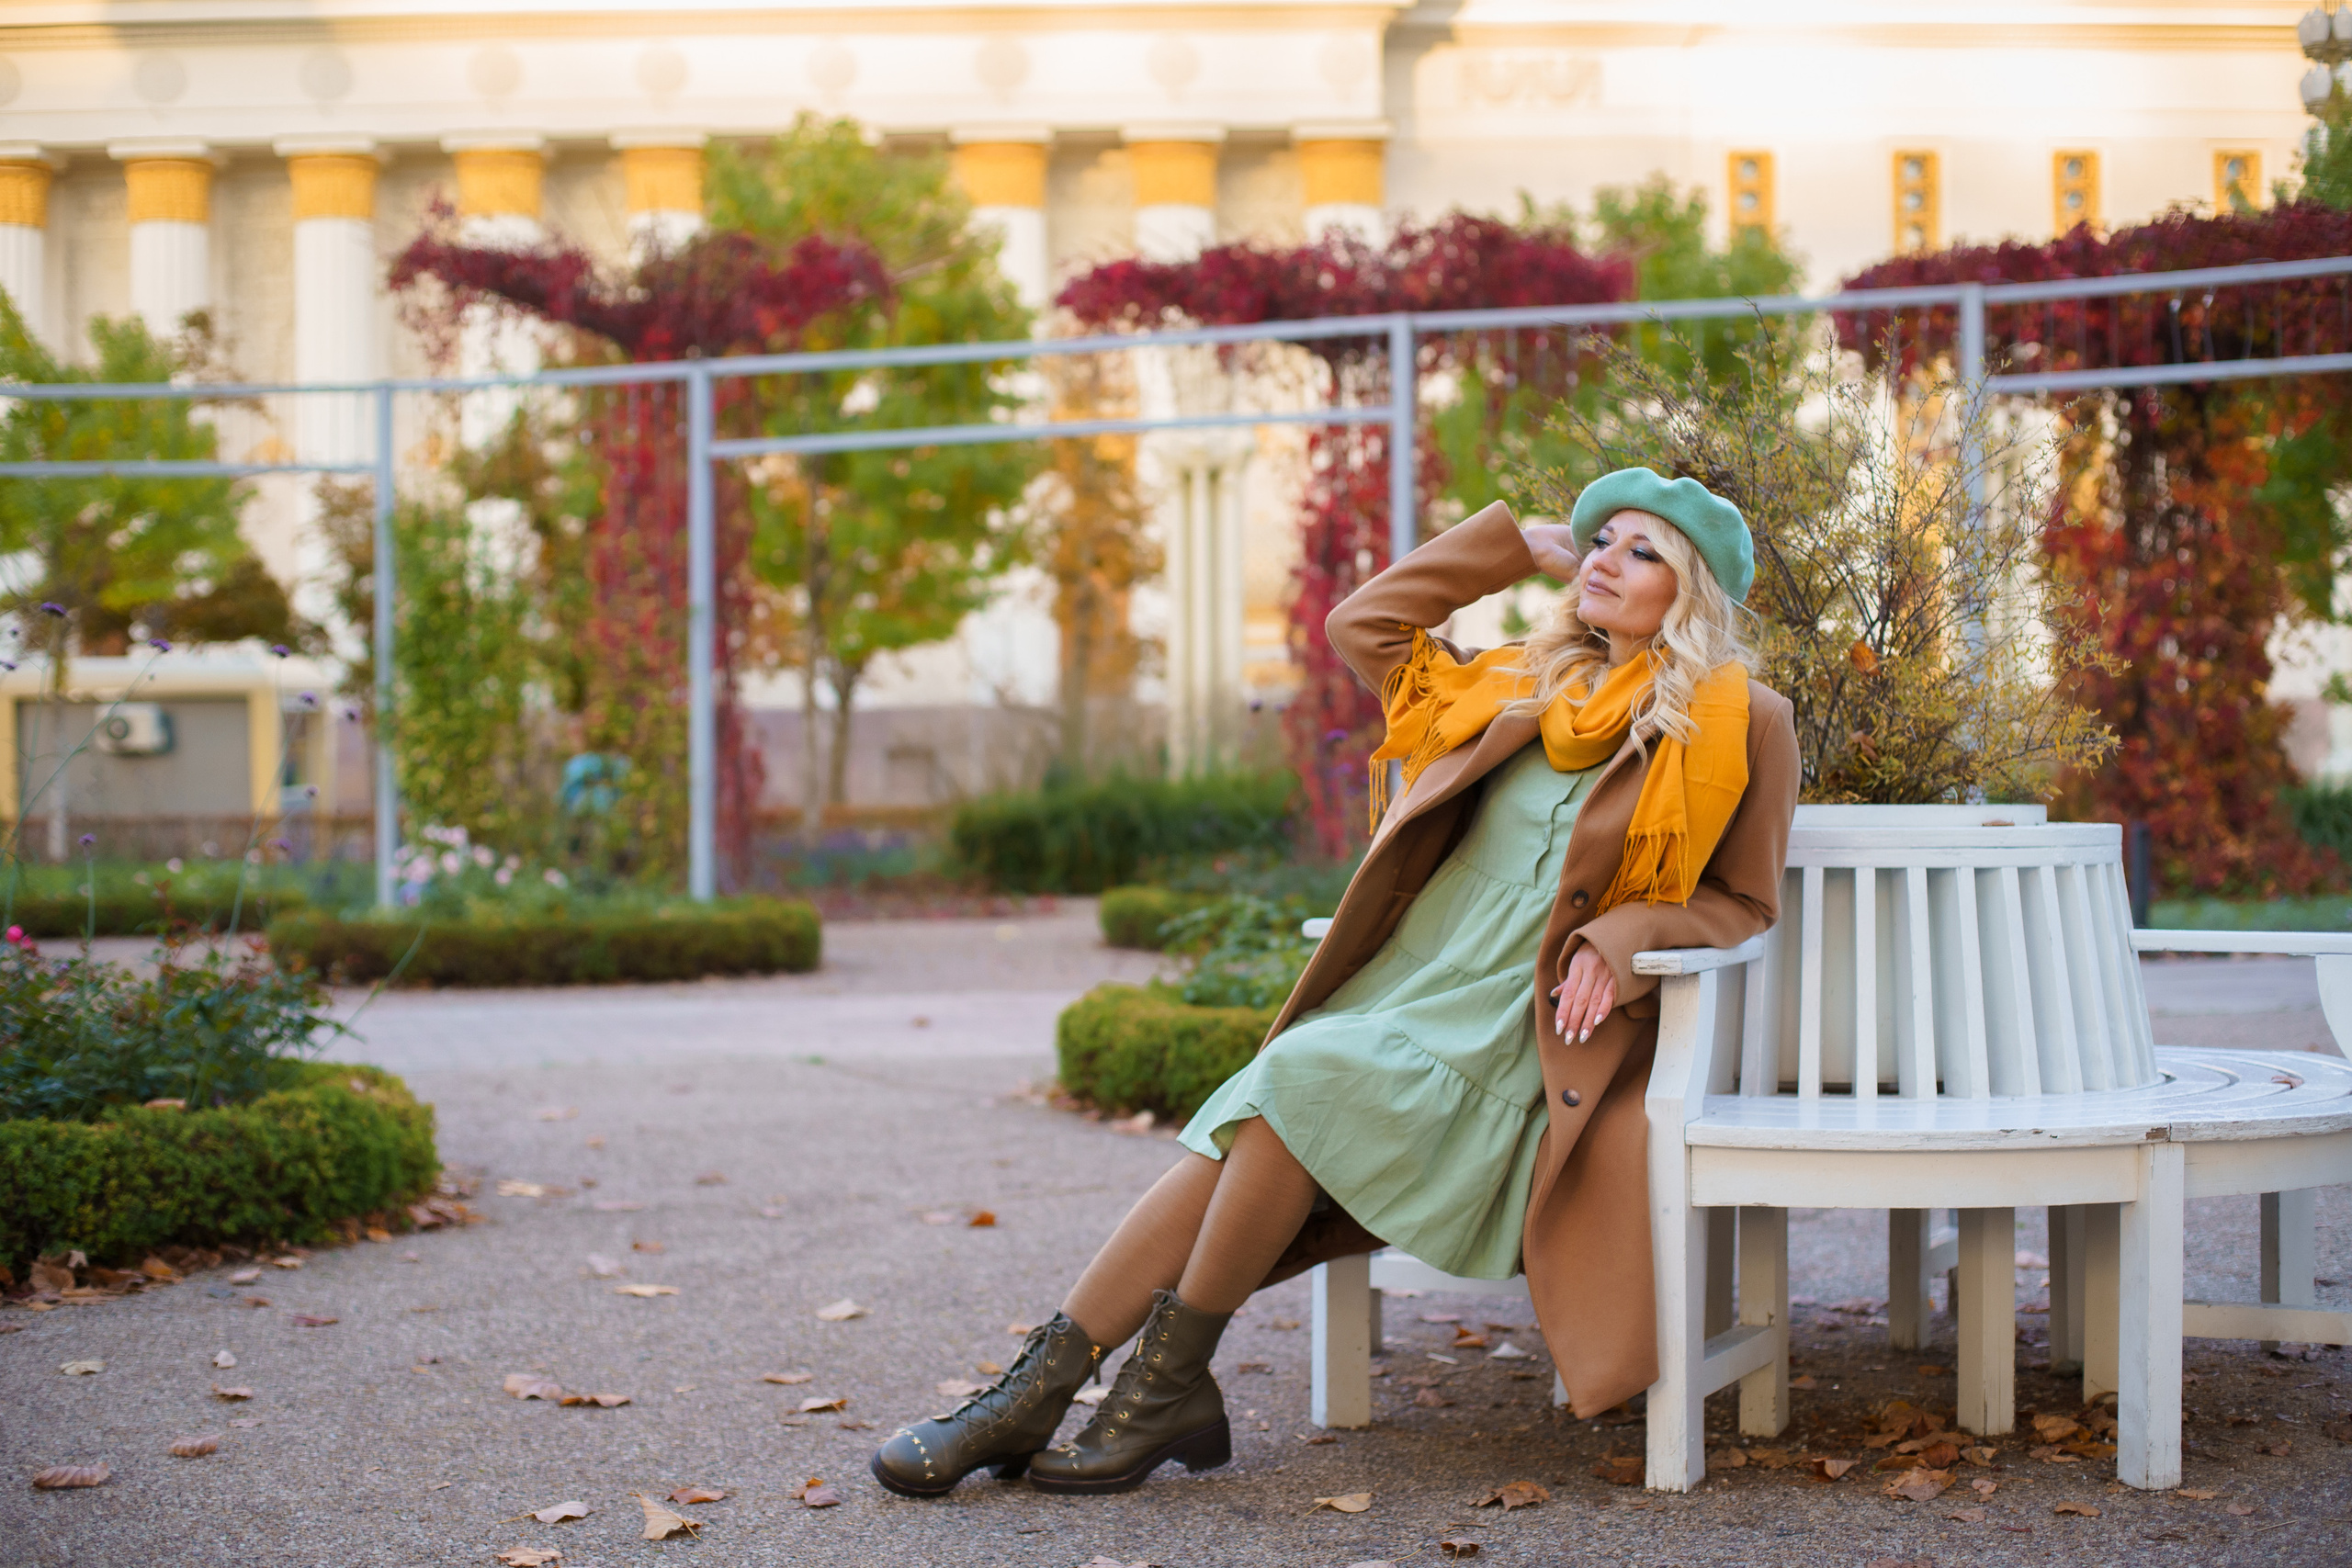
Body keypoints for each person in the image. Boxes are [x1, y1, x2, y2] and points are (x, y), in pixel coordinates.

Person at [871, 468, 1800, 1499]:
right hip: (1405, 995)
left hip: (1509, 1035)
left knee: (1290, 1081)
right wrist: (1502, 544)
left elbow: (1744, 903)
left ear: (1692, 591)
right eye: (1600, 539)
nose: (1603, 560)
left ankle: (1086, 1393)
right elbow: (1364, 625)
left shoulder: (1738, 719)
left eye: (1642, 552)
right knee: (1266, 1110)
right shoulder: (1521, 680)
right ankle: (1069, 1393)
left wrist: (1623, 937)